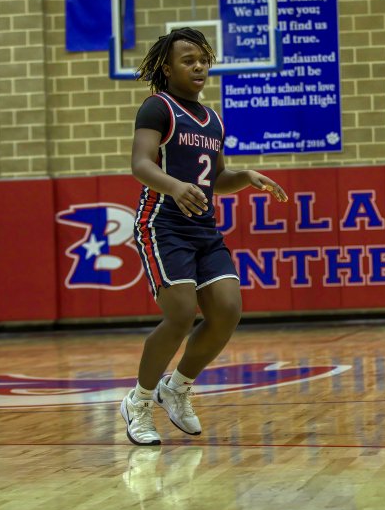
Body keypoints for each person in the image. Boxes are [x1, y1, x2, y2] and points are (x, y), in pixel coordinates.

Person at [120, 27, 288, 446]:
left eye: (203, 60)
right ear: (167, 67)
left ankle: (176, 388)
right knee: (180, 313)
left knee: (227, 309)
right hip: (162, 224)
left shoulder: (212, 119)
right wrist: (175, 186)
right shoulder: (157, 107)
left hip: (203, 228)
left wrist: (245, 176)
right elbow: (141, 164)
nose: (198, 67)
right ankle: (138, 402)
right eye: (188, 60)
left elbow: (216, 178)